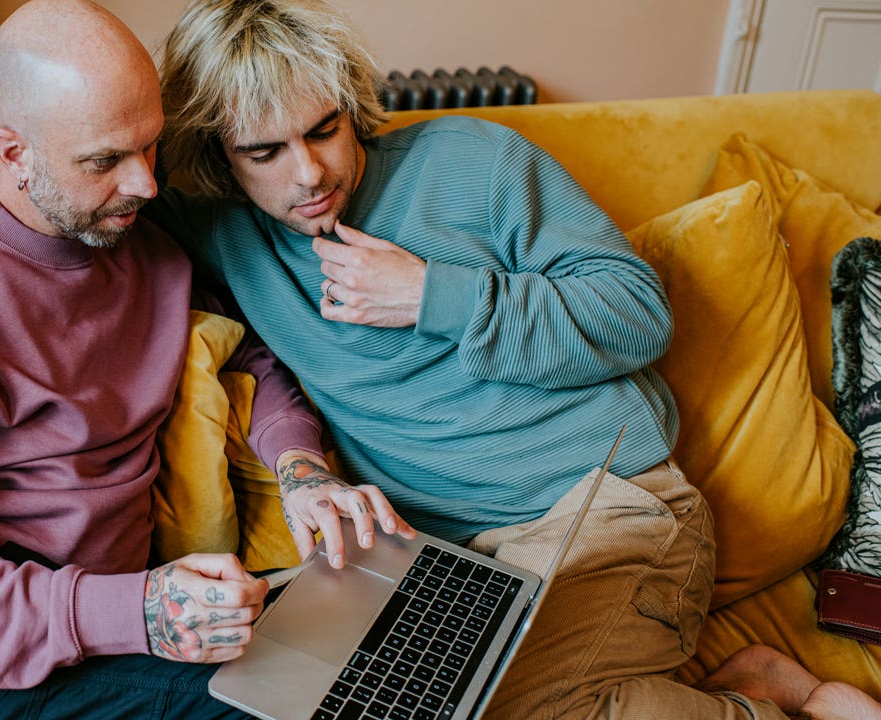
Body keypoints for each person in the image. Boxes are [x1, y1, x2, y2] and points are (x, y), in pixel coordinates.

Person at [149, 0, 881, 718]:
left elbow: (638, 315)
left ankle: (783, 704)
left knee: (502, 707)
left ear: (349, 106)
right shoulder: (221, 232)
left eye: (323, 130)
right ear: (218, 155)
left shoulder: (474, 161)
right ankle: (749, 684)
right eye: (264, 151)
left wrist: (435, 295)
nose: (308, 173)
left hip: (608, 505)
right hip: (438, 559)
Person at [0, 1, 414, 717]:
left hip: (120, 626)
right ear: (14, 153)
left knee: (391, 649)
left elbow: (246, 357)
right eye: (106, 161)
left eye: (149, 146)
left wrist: (299, 469)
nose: (146, 185)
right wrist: (138, 609)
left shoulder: (136, 238)